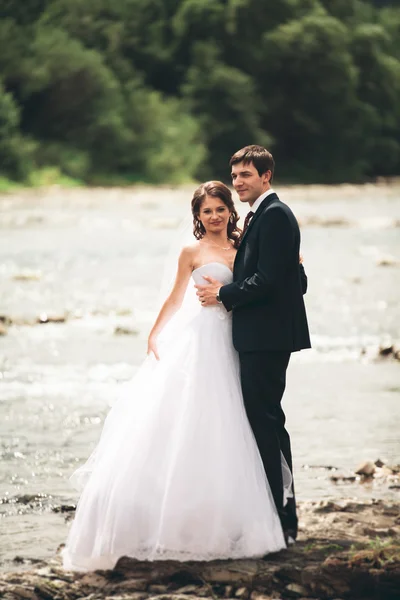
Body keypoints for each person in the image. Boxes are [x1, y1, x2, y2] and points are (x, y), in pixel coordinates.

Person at [62, 181, 292, 572]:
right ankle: (174, 519)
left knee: (235, 423)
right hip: (201, 338)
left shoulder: (244, 246)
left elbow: (262, 283)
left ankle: (236, 518)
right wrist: (155, 332)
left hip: (239, 339)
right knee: (191, 418)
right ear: (198, 217)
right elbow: (175, 297)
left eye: (220, 208)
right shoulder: (192, 251)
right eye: (207, 211)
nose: (215, 216)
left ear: (229, 211)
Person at [195, 146, 311, 544]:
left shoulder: (275, 216)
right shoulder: (259, 217)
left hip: (266, 338)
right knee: (264, 421)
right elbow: (294, 281)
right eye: (235, 176)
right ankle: (277, 511)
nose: (238, 182)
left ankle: (283, 518)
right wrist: (293, 267)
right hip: (261, 336)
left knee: (265, 423)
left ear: (266, 177)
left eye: (246, 175)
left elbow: (267, 282)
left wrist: (224, 295)